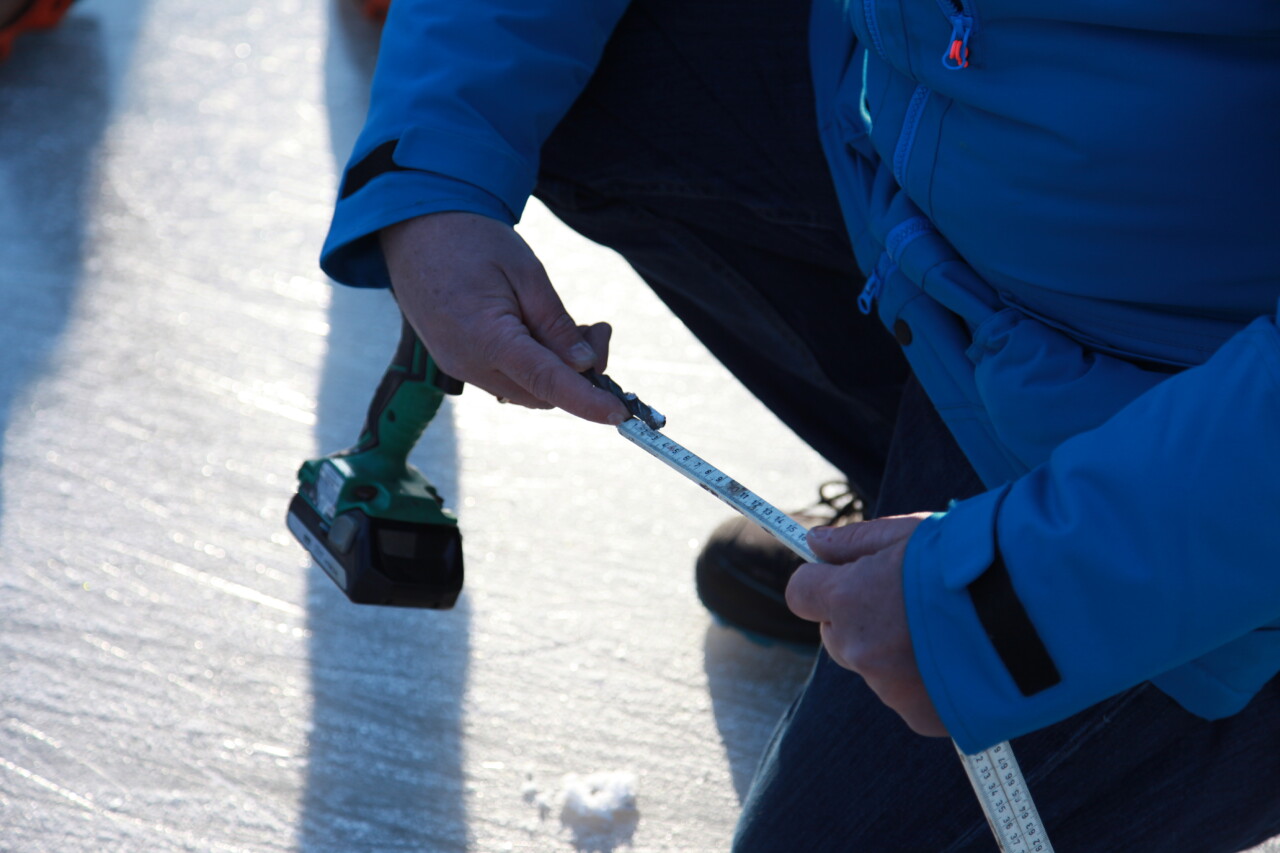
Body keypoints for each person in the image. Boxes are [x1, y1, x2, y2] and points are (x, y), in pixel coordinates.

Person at [319, 0, 1280, 849]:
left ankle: (1006, 554)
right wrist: (434, 167)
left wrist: (1014, 595)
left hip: (1198, 466)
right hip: (915, 149)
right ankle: (908, 495)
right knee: (595, 56)